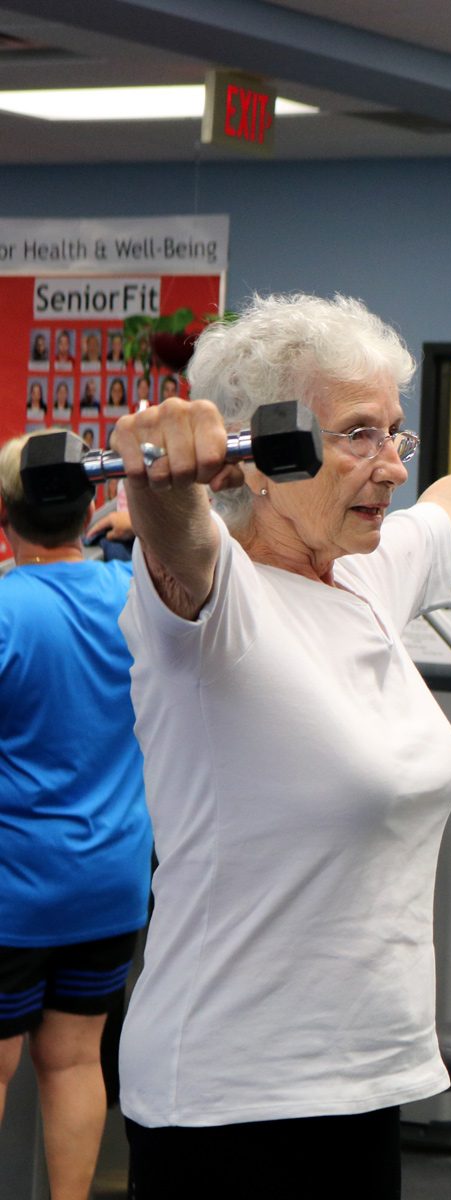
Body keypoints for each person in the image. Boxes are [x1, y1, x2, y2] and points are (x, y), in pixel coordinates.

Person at [109, 292, 451, 1199]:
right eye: (358, 434)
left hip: (365, 1076)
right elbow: (178, 538)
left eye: (396, 433)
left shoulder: (365, 573)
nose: (390, 464)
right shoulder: (216, 602)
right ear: (261, 453)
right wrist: (163, 471)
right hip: (230, 1097)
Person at [0, 431, 151, 1200]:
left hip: (15, 891)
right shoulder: (134, 597)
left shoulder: (3, 608)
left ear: (5, 513)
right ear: (91, 503)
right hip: (110, 881)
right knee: (74, 1059)